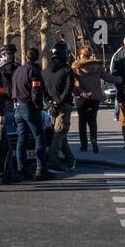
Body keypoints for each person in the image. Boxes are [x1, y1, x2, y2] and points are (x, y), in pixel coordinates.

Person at [12, 46, 53, 181]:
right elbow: (36, 91)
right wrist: (38, 106)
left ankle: (21, 168)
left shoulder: (18, 70)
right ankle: (41, 169)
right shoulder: (34, 71)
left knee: (21, 139)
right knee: (39, 136)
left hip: (17, 106)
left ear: (26, 57)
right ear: (37, 57)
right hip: (29, 106)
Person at [0, 43, 19, 183]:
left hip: (0, 108)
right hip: (5, 107)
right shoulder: (0, 72)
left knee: (3, 142)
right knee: (5, 143)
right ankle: (7, 173)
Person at [44, 41, 76, 170]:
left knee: (59, 133)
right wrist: (59, 101)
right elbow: (68, 89)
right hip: (63, 105)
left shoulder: (45, 71)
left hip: (50, 106)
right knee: (59, 133)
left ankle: (70, 159)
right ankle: (53, 161)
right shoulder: (67, 70)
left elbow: (42, 89)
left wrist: (49, 102)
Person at [72, 44, 105, 154]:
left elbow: (74, 83)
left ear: (81, 55)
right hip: (94, 97)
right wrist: (121, 79)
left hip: (81, 97)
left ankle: (84, 145)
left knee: (82, 122)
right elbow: (108, 77)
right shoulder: (98, 66)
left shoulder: (76, 67)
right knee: (92, 121)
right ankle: (94, 139)